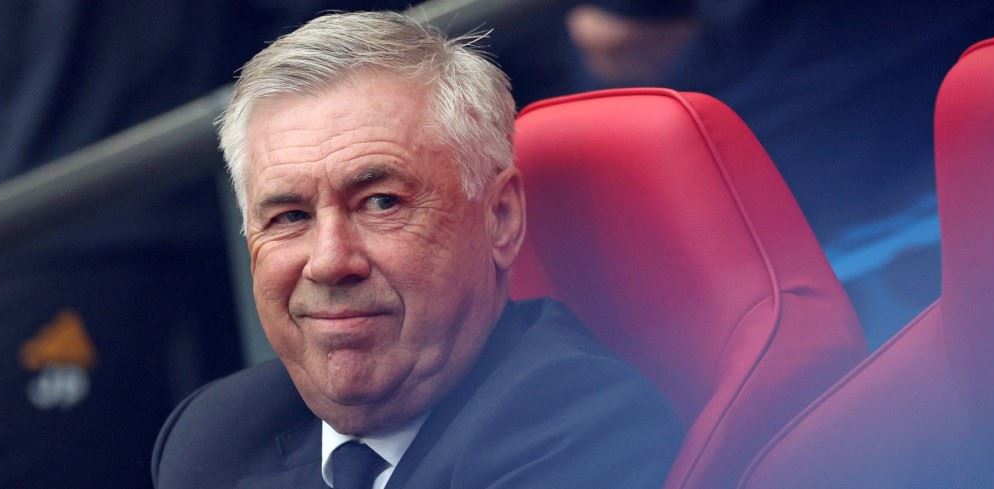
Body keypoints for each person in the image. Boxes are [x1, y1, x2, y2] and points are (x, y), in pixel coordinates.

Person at [151, 11, 683, 489]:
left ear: (500, 217)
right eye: (290, 217)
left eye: (381, 203)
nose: (330, 261)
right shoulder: (212, 436)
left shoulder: (585, 428)